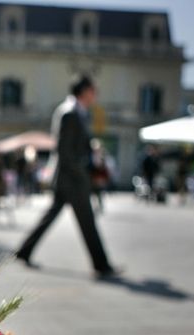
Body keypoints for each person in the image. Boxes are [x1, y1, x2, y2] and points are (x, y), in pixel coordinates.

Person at [15, 76, 118, 278]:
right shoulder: (69, 113)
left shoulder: (77, 112)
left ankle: (24, 251)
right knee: (87, 222)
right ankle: (102, 265)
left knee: (55, 216)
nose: (96, 94)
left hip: (68, 178)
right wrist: (84, 171)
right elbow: (64, 150)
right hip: (72, 179)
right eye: (93, 90)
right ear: (84, 91)